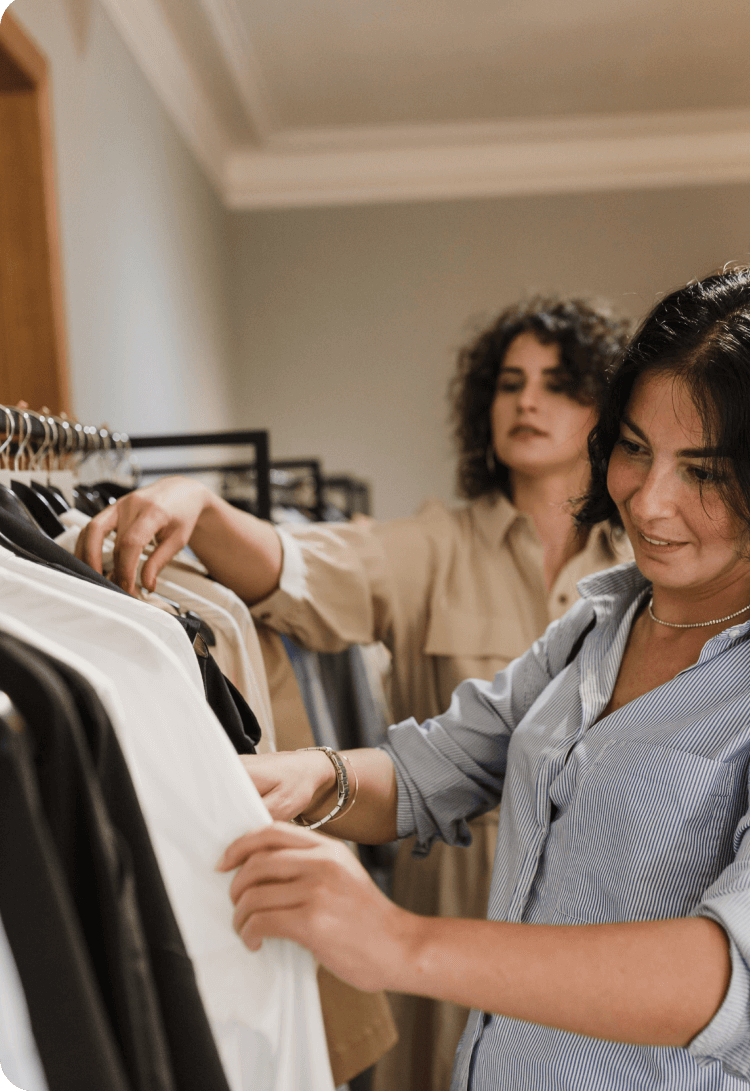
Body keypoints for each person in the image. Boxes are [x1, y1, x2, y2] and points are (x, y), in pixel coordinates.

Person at [214, 258, 750, 1091]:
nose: (648, 503)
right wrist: (292, 777)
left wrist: (401, 942)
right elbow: (434, 769)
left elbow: (745, 973)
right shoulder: (599, 624)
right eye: (636, 450)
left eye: (707, 473)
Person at [76, 297, 633, 1091]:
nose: (527, 401)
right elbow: (293, 570)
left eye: (559, 382)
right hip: (446, 918)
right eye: (510, 382)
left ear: (605, 411)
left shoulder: (644, 572)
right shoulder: (436, 546)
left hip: (598, 922)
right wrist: (195, 505)